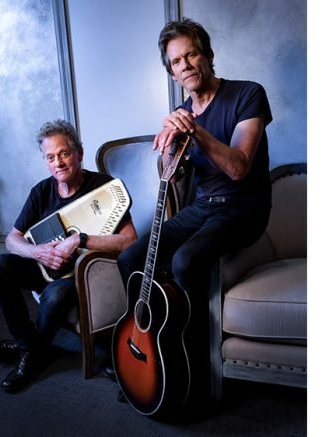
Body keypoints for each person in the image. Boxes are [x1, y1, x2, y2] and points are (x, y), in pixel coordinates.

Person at [116, 18, 273, 404]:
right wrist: (169, 149)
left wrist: (197, 131)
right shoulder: (181, 113)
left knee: (186, 260)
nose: (184, 65)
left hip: (244, 207)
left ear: (208, 55)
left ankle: (195, 365)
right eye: (176, 61)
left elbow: (238, 168)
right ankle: (154, 349)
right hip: (202, 208)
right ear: (171, 72)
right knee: (130, 258)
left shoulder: (247, 94)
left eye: (191, 54)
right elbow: (170, 174)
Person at [0, 119, 137, 393]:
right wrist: (37, 252)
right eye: (50, 157)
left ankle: (30, 355)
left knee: (57, 294)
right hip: (44, 268)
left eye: (64, 154)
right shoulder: (42, 191)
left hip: (81, 277)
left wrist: (80, 240)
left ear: (79, 154)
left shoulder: (103, 188)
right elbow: (12, 239)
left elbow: (129, 242)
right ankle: (28, 344)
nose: (58, 163)